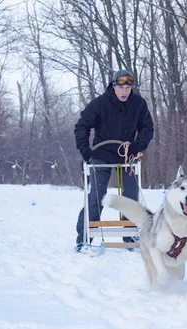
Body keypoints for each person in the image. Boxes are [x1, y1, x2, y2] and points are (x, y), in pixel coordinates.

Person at [74, 69, 154, 251]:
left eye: (128, 87)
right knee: (97, 195)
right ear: (113, 86)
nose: (125, 91)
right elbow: (81, 126)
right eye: (121, 87)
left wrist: (138, 145)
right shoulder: (100, 104)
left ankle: (130, 233)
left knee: (130, 195)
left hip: (127, 155)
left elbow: (147, 128)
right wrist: (85, 150)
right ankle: (85, 237)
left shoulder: (138, 104)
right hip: (101, 154)